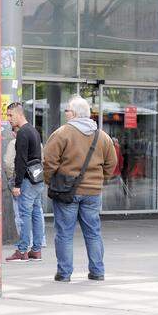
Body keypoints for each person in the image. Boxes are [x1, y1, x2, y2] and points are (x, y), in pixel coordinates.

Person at [43, 95, 117, 282]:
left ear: (74, 113)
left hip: (67, 192)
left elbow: (49, 162)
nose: (66, 113)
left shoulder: (62, 133)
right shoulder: (102, 136)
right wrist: (100, 179)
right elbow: (112, 162)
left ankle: (64, 273)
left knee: (64, 233)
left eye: (67, 110)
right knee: (93, 232)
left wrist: (49, 181)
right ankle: (97, 271)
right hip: (93, 192)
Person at [5, 102, 45, 262]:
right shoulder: (34, 131)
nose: (8, 119)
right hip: (37, 179)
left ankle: (22, 250)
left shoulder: (22, 133)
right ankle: (36, 250)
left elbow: (20, 161)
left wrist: (17, 184)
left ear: (19, 114)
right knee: (36, 214)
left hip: (27, 181)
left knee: (25, 215)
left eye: (10, 115)